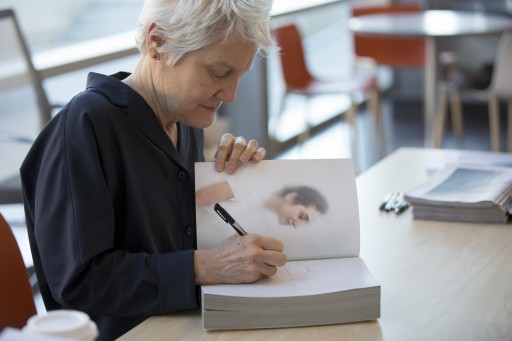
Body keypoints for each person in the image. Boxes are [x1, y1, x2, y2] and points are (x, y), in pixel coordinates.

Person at [20, 1, 287, 340]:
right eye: (219, 73)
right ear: (158, 41)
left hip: (187, 324)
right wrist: (204, 266)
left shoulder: (185, 122)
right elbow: (78, 280)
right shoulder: (85, 125)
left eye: (239, 75)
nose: (231, 95)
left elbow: (169, 237)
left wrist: (231, 182)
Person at [196, 181, 329, 227]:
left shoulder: (260, 217)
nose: (296, 225)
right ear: (291, 196)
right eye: (302, 216)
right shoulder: (250, 187)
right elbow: (193, 199)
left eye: (304, 224)